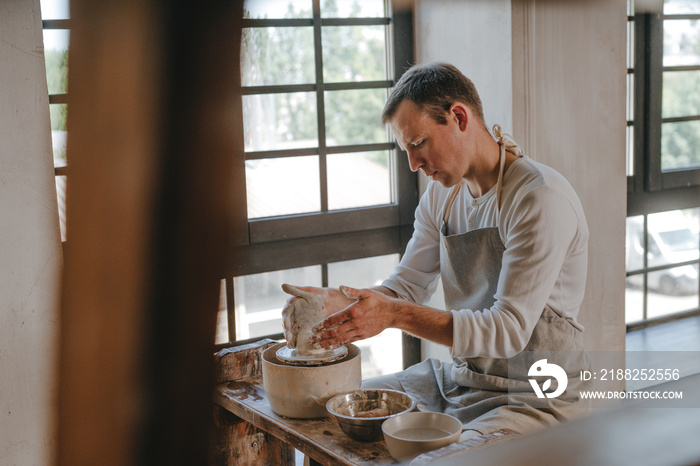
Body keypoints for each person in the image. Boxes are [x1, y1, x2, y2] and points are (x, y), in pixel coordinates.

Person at [282, 62, 589, 438]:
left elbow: (507, 331)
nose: (413, 164)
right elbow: (406, 287)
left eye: (417, 144)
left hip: (537, 395)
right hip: (461, 381)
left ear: (458, 116)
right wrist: (333, 304)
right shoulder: (441, 196)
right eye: (406, 150)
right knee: (336, 408)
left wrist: (392, 315)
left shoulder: (538, 198)